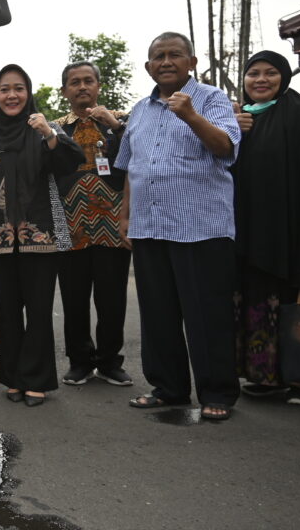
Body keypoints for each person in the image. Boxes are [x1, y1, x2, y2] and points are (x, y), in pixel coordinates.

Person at [117, 32, 241, 421]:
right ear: (148, 66)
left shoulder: (212, 99)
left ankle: (217, 391)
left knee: (207, 314)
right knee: (158, 313)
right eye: (158, 56)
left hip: (200, 228)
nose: (166, 61)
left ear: (192, 62)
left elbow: (226, 147)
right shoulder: (139, 110)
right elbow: (130, 165)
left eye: (175, 55)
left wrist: (189, 114)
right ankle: (168, 388)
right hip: (149, 226)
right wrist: (124, 214)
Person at [0, 64, 84, 407]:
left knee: (40, 309)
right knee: (8, 311)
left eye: (18, 88)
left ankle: (37, 380)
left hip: (42, 235)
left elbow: (70, 163)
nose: (12, 95)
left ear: (28, 93)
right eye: (4, 89)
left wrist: (49, 133)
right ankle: (13, 378)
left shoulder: (45, 129)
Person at [230, 50, 300, 407]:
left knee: (295, 303)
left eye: (270, 73)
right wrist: (234, 130)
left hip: (293, 232)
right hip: (251, 232)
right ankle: (265, 376)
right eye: (253, 74)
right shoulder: (242, 118)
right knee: (259, 301)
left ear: (285, 77)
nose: (260, 80)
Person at [54, 61, 134, 387]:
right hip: (70, 225)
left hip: (113, 225)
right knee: (73, 300)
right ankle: (80, 362)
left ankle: (110, 362)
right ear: (65, 91)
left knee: (112, 299)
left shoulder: (122, 122)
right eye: (75, 82)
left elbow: (137, 157)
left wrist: (115, 126)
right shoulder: (56, 128)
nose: (82, 87)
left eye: (88, 81)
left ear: (99, 86)